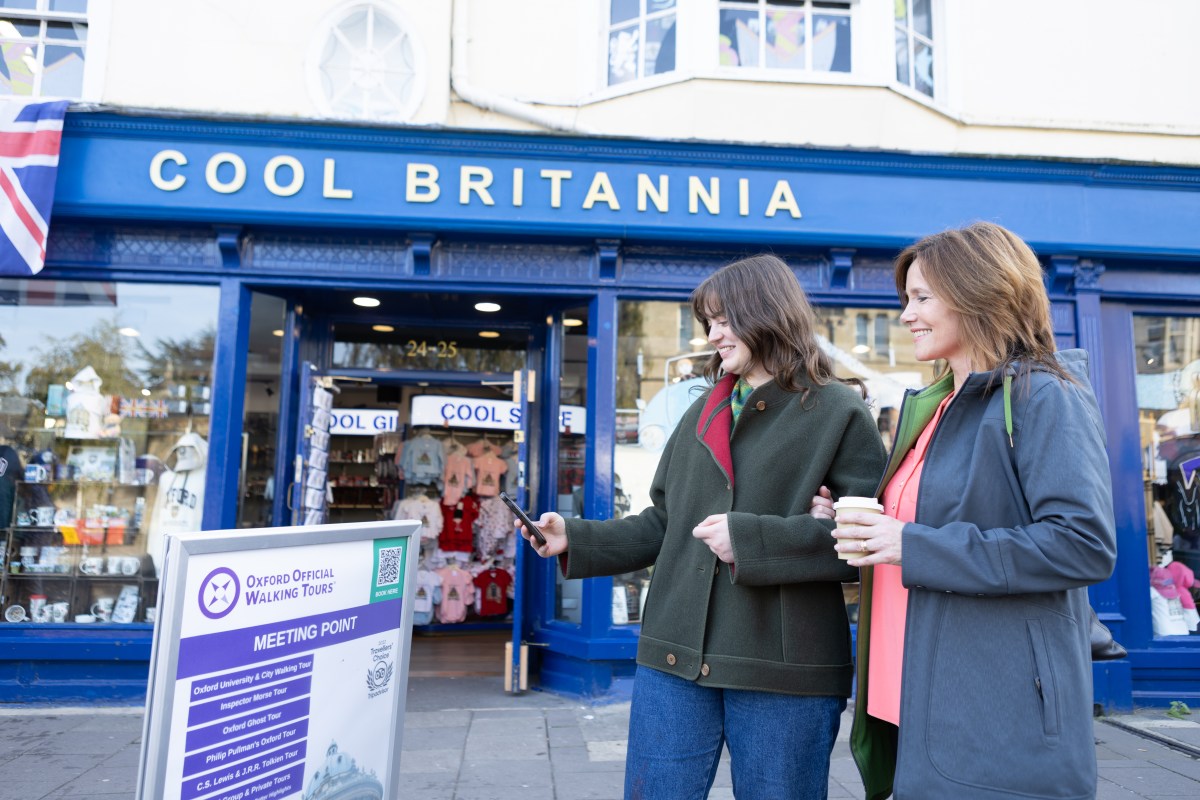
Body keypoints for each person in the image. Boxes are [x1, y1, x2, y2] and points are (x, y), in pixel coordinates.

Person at [517, 254, 887, 799]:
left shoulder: (838, 411)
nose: (712, 335)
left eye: (724, 320)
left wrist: (753, 540)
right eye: (708, 322)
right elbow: (664, 524)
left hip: (782, 670)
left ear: (767, 313)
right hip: (673, 656)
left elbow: (867, 543)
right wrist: (574, 536)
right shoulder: (701, 412)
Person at [810, 222, 1117, 800]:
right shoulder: (937, 406)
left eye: (922, 298)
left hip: (989, 714)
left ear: (979, 294)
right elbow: (920, 529)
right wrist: (857, 526)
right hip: (913, 697)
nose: (906, 315)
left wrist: (909, 543)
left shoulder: (1045, 395)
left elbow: (1083, 545)